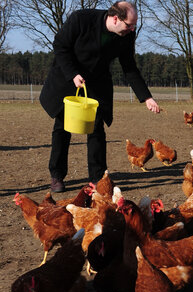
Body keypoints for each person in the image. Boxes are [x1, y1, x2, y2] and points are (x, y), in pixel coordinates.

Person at [40, 1, 160, 192]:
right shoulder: (81, 19)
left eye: (134, 25)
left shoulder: (126, 36)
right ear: (115, 18)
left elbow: (129, 67)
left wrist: (146, 97)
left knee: (96, 129)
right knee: (62, 127)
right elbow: (60, 46)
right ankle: (57, 176)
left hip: (96, 83)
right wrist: (73, 74)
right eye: (129, 24)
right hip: (67, 77)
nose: (132, 29)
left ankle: (97, 179)